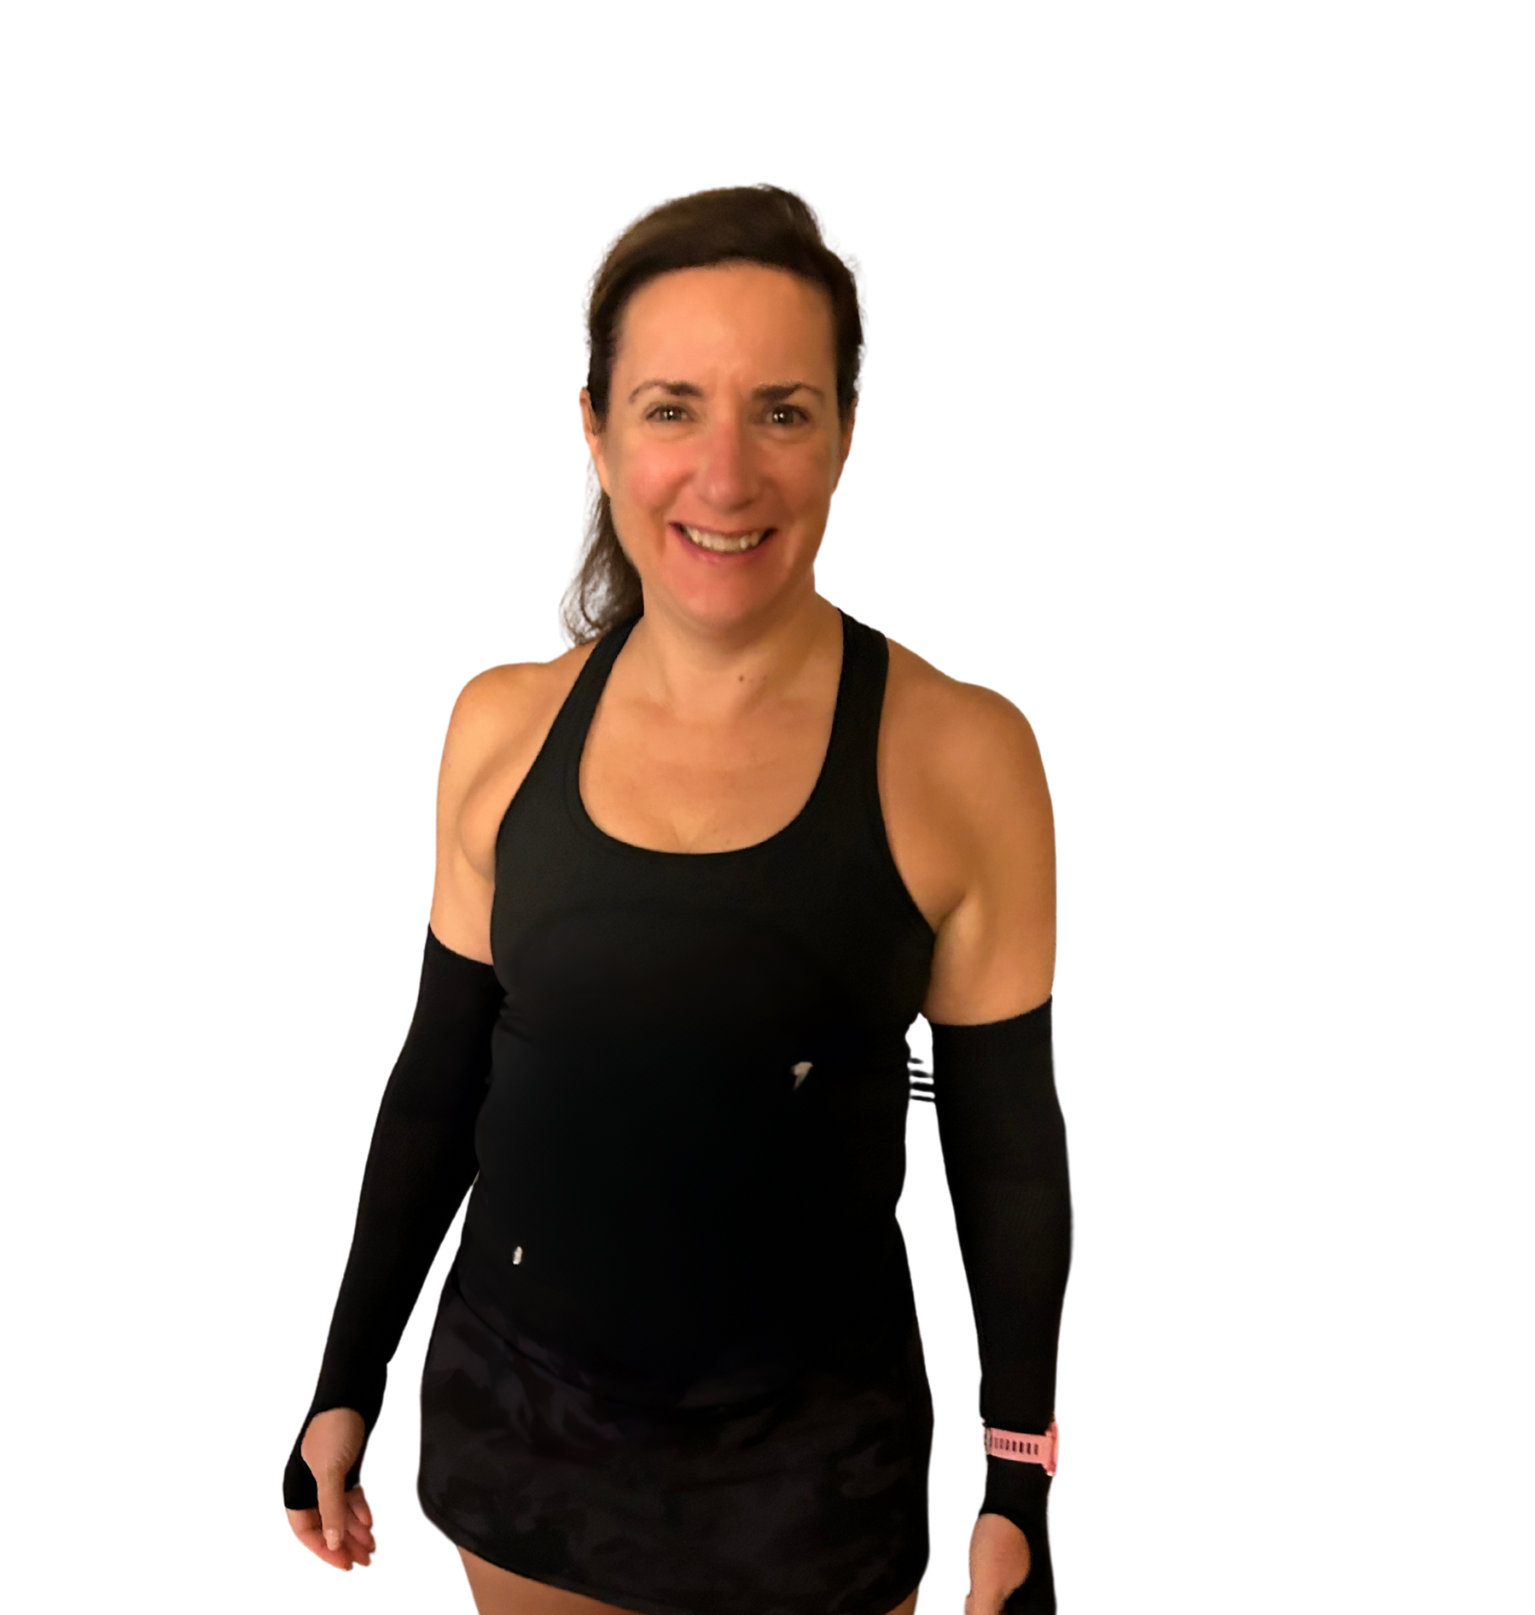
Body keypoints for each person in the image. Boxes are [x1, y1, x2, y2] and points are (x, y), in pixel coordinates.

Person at [282, 185, 1072, 1615]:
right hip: (519, 1445)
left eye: (781, 411)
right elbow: (442, 1076)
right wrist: (348, 1378)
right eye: (669, 410)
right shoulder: (501, 728)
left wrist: (1015, 1488)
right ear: (594, 431)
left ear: (843, 432)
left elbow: (1005, 1149)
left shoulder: (963, 758)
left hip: (809, 1485)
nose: (725, 474)